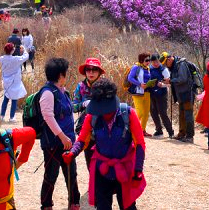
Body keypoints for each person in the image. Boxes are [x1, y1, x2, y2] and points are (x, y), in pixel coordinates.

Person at [63, 79, 146, 210]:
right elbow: (82, 140)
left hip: (124, 168)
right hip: (102, 169)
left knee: (128, 206)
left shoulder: (128, 114)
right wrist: (73, 152)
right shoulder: (92, 117)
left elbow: (140, 144)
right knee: (102, 207)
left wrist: (138, 170)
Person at [39, 57, 81, 210]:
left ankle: (74, 202)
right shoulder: (47, 93)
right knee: (51, 175)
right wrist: (62, 136)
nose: (66, 75)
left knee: (71, 173)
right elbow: (48, 117)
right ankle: (46, 205)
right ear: (60, 75)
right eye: (65, 73)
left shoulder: (64, 92)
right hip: (53, 143)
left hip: (68, 142)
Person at [72, 58, 105, 168]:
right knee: (90, 164)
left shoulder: (105, 86)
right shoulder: (80, 87)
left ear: (99, 72)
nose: (91, 72)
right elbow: (73, 107)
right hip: (86, 131)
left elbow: (114, 107)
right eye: (88, 70)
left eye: (94, 70)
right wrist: (83, 104)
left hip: (104, 130)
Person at [165, 54, 195, 143]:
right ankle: (182, 134)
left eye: (165, 63)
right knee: (181, 114)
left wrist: (171, 81)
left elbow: (183, 78)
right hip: (181, 94)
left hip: (187, 93)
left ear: (169, 59)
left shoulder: (181, 64)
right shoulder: (174, 66)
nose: (165, 65)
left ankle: (189, 136)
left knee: (188, 115)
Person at [0, 43, 30, 123]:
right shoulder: (16, 59)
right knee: (14, 100)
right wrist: (24, 50)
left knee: (5, 99)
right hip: (14, 82)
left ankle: (2, 116)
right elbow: (26, 57)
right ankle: (12, 117)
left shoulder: (1, 59)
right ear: (12, 50)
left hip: (6, 82)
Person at [148, 53, 174, 138]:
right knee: (153, 112)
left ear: (159, 60)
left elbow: (169, 83)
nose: (155, 63)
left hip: (162, 94)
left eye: (157, 61)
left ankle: (170, 132)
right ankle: (159, 130)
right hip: (152, 93)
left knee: (163, 113)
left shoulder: (164, 70)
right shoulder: (149, 69)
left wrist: (162, 85)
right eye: (153, 62)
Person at [127, 53, 152, 136]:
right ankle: (130, 129)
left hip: (147, 92)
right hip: (137, 93)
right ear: (141, 60)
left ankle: (142, 130)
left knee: (146, 113)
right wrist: (140, 84)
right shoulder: (136, 67)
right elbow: (130, 78)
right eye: (146, 60)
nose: (148, 62)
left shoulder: (148, 68)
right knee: (140, 112)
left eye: (149, 60)